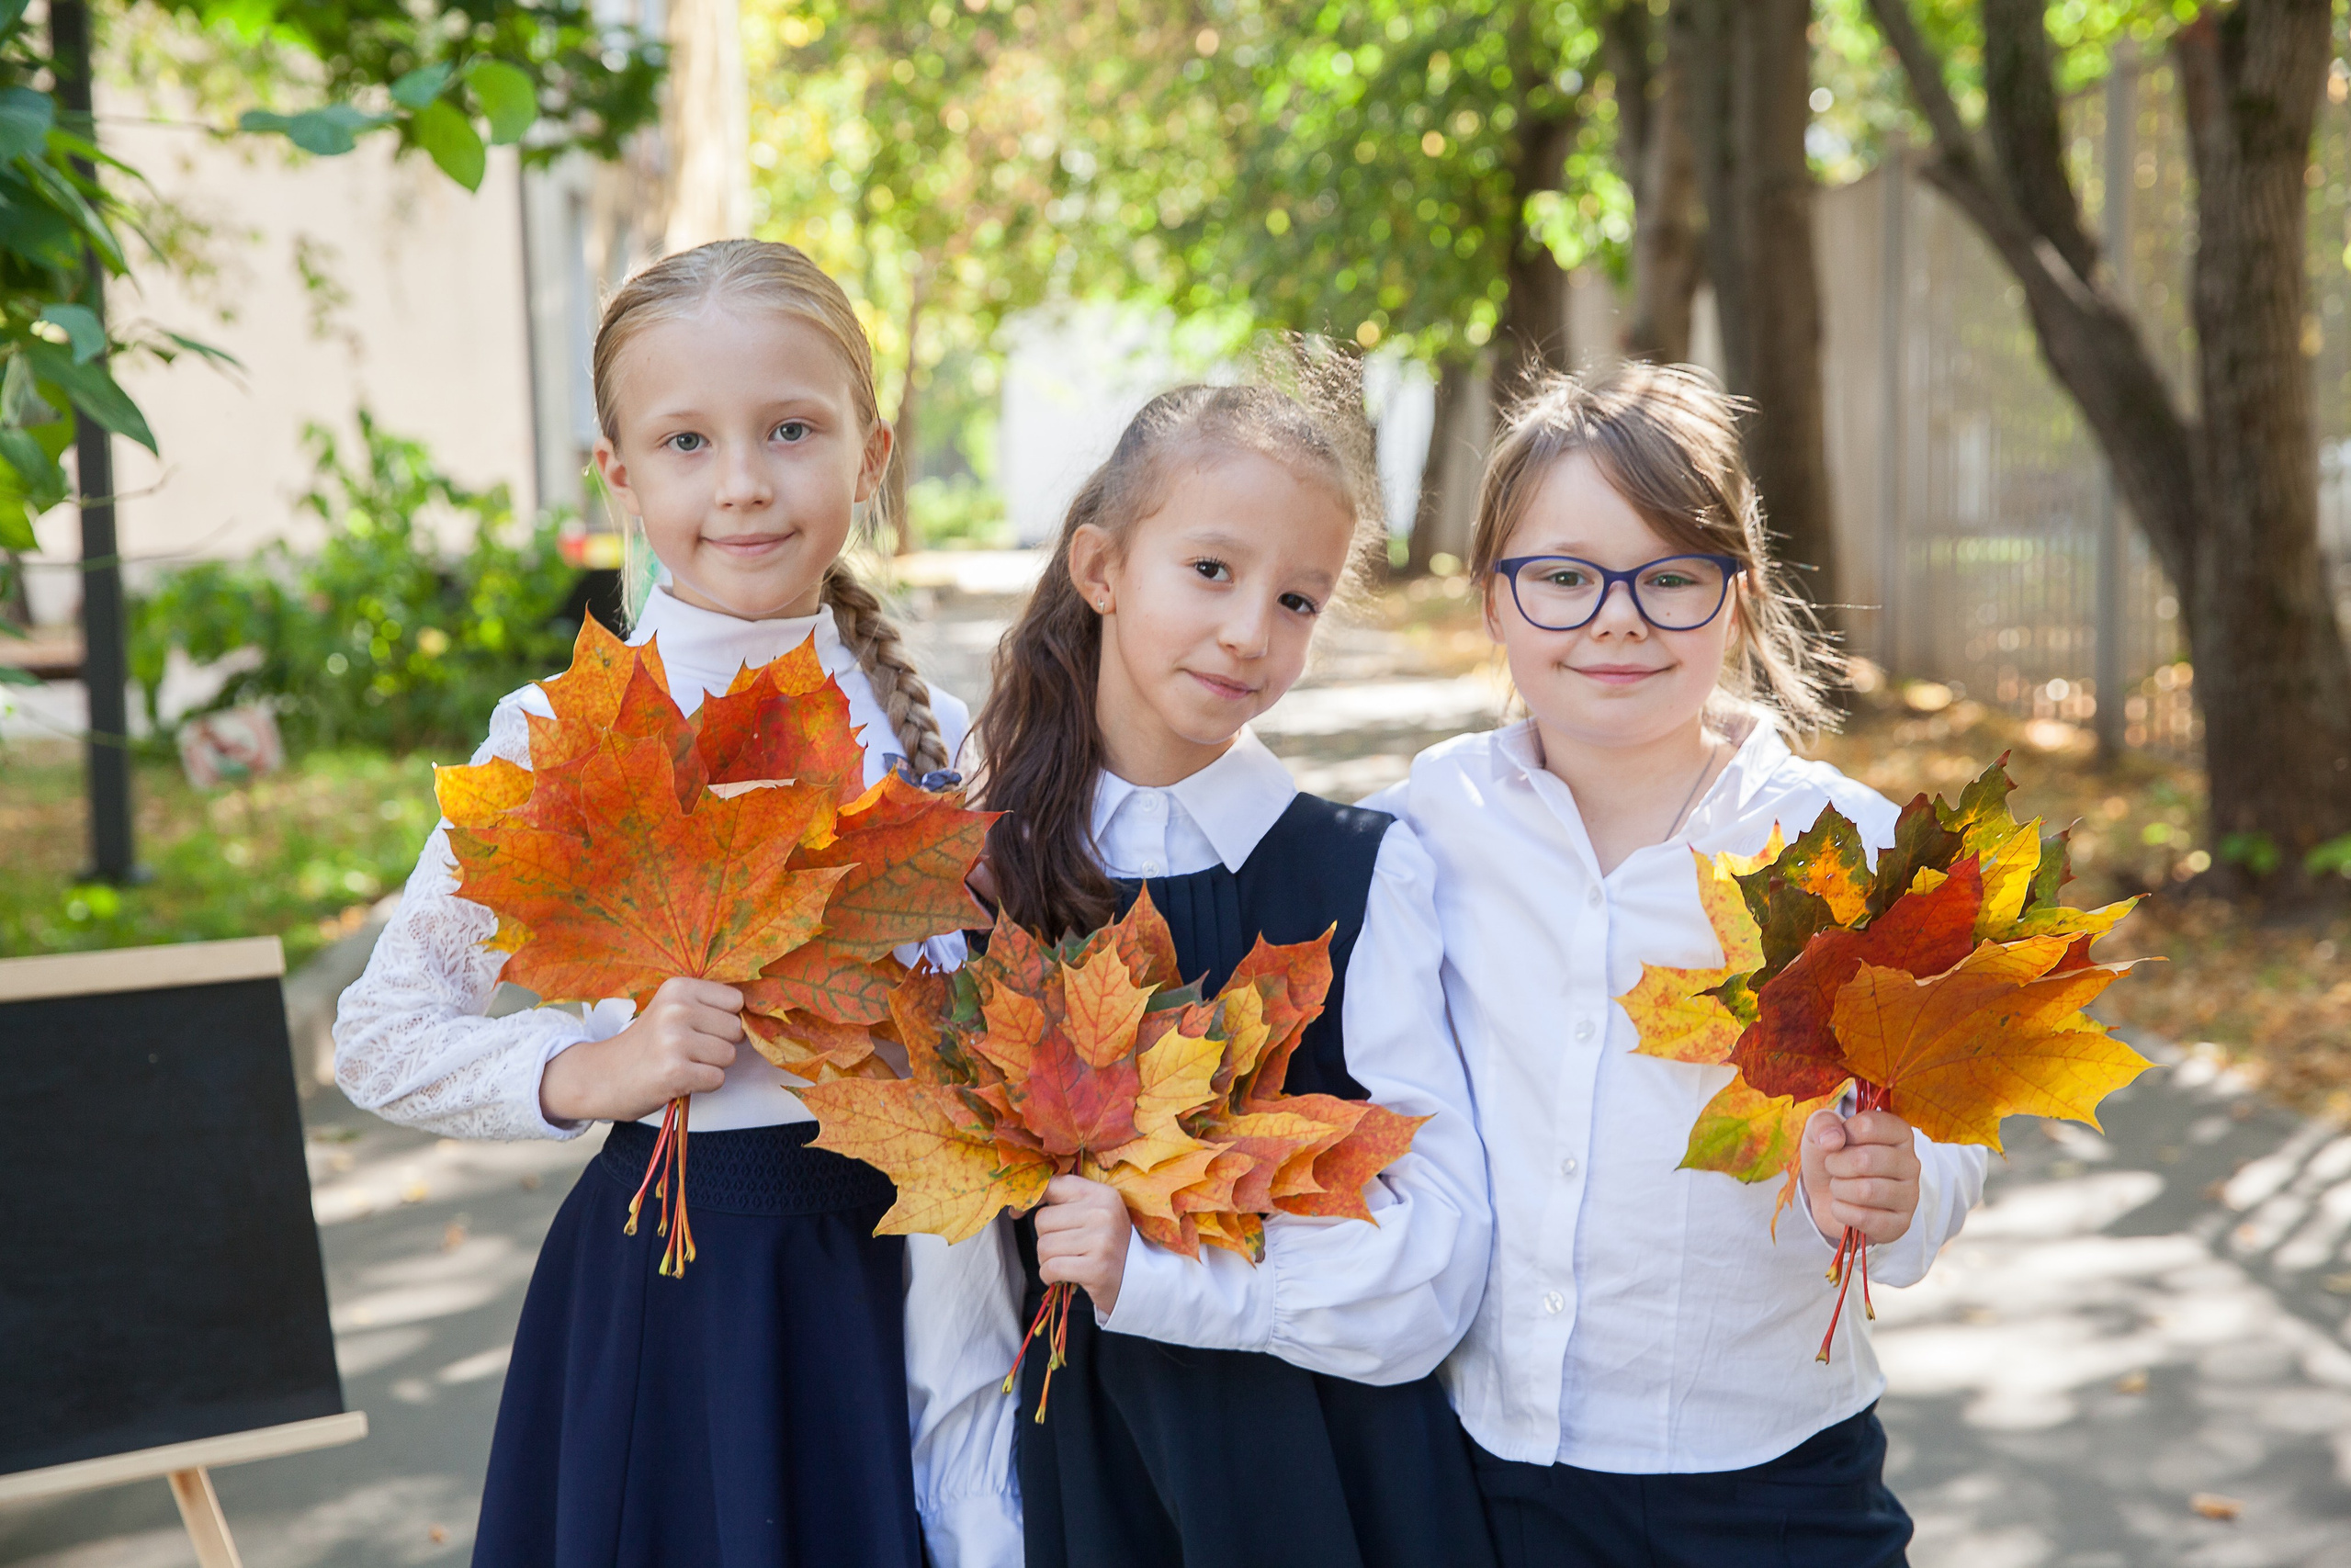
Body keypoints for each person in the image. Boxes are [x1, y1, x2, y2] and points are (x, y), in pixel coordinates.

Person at [333, 239, 1019, 1568]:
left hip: (904, 1284)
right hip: (673, 1290)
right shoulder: (559, 739)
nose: (746, 482)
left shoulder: (931, 739)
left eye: (791, 430)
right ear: (619, 474)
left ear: (869, 455)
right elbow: (379, 1033)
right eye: (687, 442)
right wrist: (597, 1066)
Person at [1370, 363, 1985, 1566]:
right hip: (1496, 1473)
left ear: (1740, 601)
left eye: (1670, 578)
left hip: (1775, 1486)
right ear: (1492, 602)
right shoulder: (1424, 826)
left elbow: (1951, 1116)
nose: (1616, 617)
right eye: (1559, 577)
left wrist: (1908, 1188)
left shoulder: (1846, 848)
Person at [967, 382, 1497, 1568]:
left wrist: (1168, 1280)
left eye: (1296, 598)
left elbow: (1443, 1255)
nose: (1253, 631)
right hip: (1088, 1472)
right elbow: (954, 1280)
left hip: (1335, 1473)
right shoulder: (981, 880)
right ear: (1100, 567)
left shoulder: (1361, 883)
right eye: (1212, 569)